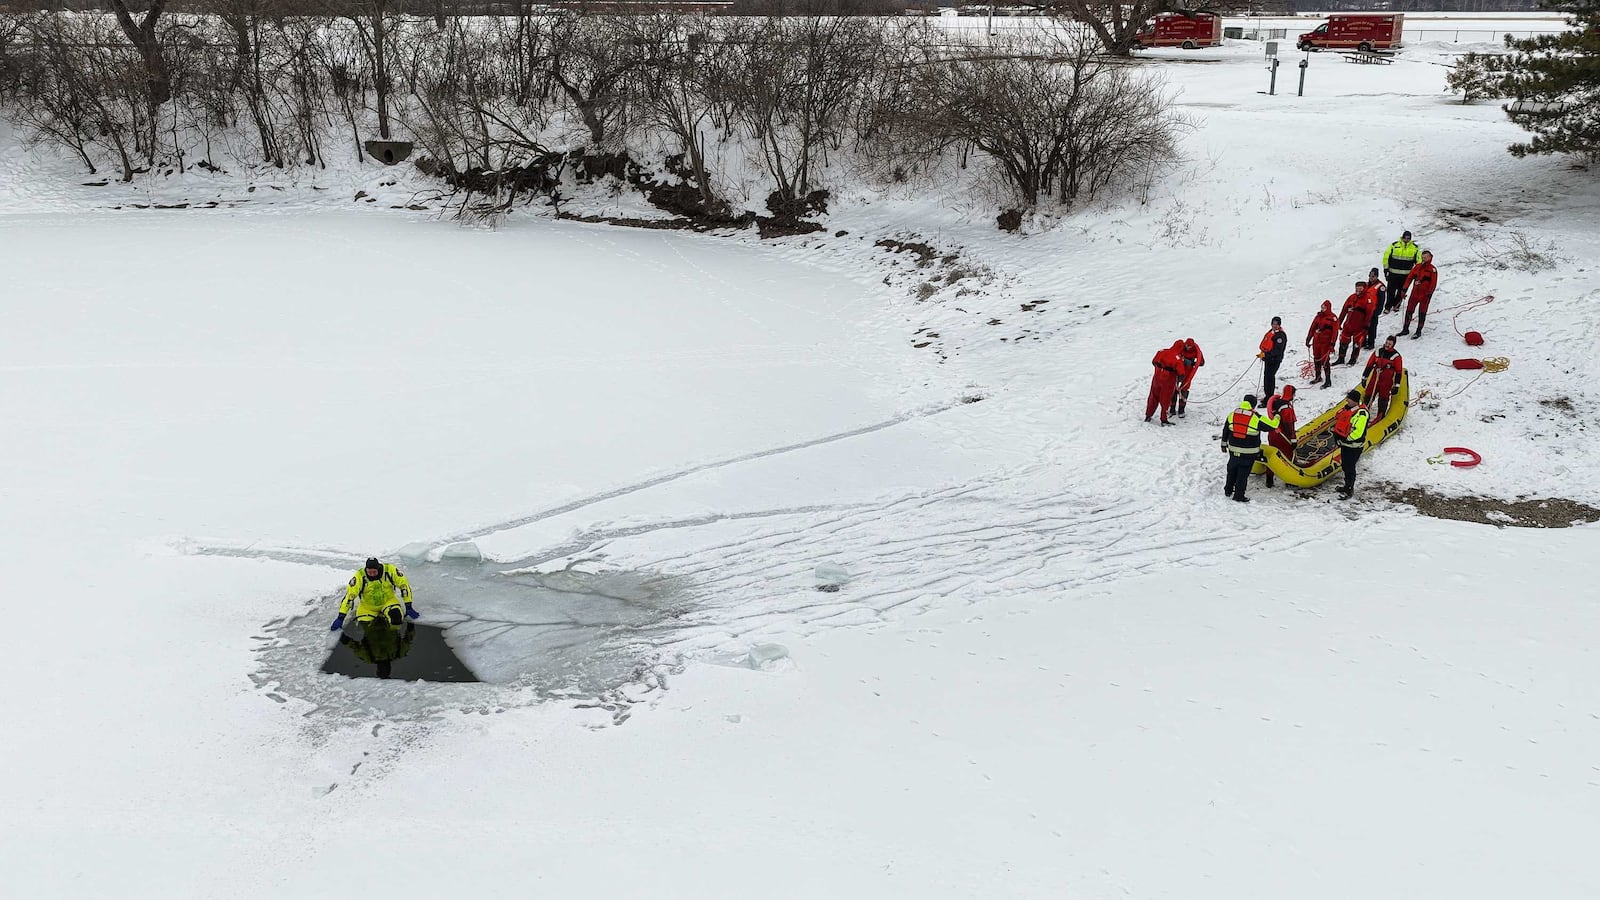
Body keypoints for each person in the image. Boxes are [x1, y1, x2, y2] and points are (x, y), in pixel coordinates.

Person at [330, 557, 419, 631]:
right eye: (369, 572)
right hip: (368, 607)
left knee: (397, 619)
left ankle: (392, 635)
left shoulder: (389, 570)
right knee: (365, 628)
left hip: (388, 602)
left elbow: (404, 586)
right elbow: (350, 597)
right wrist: (341, 617)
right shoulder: (359, 576)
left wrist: (408, 606)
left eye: (374, 572)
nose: (372, 574)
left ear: (379, 568)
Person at [1220, 393, 1279, 503]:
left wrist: (1223, 444)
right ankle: (1239, 495)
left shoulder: (1232, 414)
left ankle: (1228, 490)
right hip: (1248, 452)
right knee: (1243, 473)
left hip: (1233, 450)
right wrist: (1277, 417)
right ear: (1253, 405)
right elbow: (1272, 426)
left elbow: (1226, 430)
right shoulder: (1255, 417)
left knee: (1232, 469)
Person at [339, 620, 418, 680]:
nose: (383, 668)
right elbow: (408, 639)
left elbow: (354, 646)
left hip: (370, 621)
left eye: (381, 670)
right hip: (387, 620)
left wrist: (344, 639)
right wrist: (410, 625)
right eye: (385, 670)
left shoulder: (369, 657)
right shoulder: (398, 653)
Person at [1333, 390, 1370, 499]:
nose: (1346, 400)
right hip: (1345, 444)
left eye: (1348, 398)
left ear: (1354, 400)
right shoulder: (1348, 409)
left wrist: (1346, 440)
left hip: (1353, 446)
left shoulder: (1362, 414)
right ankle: (1346, 486)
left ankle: (1349, 489)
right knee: (1345, 465)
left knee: (1349, 467)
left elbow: (1357, 432)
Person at [1262, 384, 1298, 487]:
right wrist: (1293, 439)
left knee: (1273, 456)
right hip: (1282, 436)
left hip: (1273, 433)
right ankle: (1290, 480)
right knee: (1288, 456)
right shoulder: (1287, 408)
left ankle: (1269, 479)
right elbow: (1289, 425)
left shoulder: (1275, 403)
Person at [1361, 335, 1404, 421]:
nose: (1387, 345)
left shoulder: (1396, 356)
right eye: (1387, 343)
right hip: (1375, 378)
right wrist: (1364, 377)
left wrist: (1397, 385)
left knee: (1383, 398)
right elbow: (1369, 365)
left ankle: (1380, 415)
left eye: (1390, 344)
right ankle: (1363, 412)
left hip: (1386, 381)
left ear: (1393, 345)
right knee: (1369, 394)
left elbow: (1398, 372)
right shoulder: (1378, 352)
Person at [1400, 250, 1438, 338]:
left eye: (1425, 257)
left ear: (1430, 257)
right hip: (1415, 293)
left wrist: (1429, 294)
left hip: (1425, 295)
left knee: (1422, 312)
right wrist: (1404, 289)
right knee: (1409, 310)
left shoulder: (1432, 269)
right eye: (1422, 257)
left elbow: (1433, 283)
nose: (1423, 259)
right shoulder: (1417, 267)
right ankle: (1405, 329)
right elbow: (1409, 278)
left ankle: (1418, 331)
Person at [1146, 340, 1184, 425]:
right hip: (1168, 382)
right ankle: (1164, 420)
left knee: (1153, 397)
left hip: (1156, 379)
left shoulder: (1161, 351)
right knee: (1165, 400)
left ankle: (1148, 416)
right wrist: (1179, 383)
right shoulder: (1178, 358)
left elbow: (1153, 362)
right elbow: (1181, 374)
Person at [1382, 230, 1422, 312]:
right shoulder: (1394, 245)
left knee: (1402, 291)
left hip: (1406, 275)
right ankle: (1388, 306)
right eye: (1405, 238)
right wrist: (1386, 269)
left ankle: (1397, 305)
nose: (1406, 239)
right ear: (1402, 237)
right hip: (1393, 273)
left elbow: (1419, 261)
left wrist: (1417, 273)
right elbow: (1386, 257)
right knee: (1390, 291)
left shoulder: (1415, 248)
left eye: (1408, 238)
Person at [1335, 280, 1371, 366]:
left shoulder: (1368, 299)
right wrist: (1339, 322)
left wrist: (1366, 326)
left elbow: (1369, 314)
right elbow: (1344, 310)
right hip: (1348, 325)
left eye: (1360, 287)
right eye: (1357, 287)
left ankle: (1353, 359)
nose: (1358, 289)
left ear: (1364, 288)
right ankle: (1341, 358)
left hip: (1359, 326)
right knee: (1343, 341)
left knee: (1356, 344)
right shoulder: (1351, 297)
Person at [1305, 300, 1338, 388]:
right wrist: (1308, 338)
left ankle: (1328, 380)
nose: (1322, 309)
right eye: (1322, 307)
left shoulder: (1333, 318)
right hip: (1317, 342)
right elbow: (1312, 327)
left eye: (1324, 307)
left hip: (1325, 343)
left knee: (1325, 360)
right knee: (1317, 359)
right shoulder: (1318, 316)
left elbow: (1335, 332)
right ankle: (1318, 376)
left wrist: (1332, 344)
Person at [1173, 338, 1205, 416]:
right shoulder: (1181, 348)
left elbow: (1201, 362)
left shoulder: (1196, 351)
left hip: (1188, 373)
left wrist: (1191, 363)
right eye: (1186, 345)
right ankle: (1172, 408)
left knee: (1184, 389)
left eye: (1189, 346)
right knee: (1174, 388)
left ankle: (1181, 410)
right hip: (1178, 371)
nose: (1187, 347)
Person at [1256, 317, 1288, 398]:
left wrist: (1265, 355)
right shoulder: (1271, 332)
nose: (1274, 326)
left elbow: (1277, 350)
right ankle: (1267, 395)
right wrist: (1263, 353)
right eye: (1273, 324)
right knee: (1266, 376)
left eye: (1276, 324)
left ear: (1279, 325)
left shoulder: (1281, 336)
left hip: (1275, 360)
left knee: (1270, 377)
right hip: (1268, 359)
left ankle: (1269, 397)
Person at [1363, 269, 1387, 350]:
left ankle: (1371, 343)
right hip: (1365, 309)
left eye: (1373, 276)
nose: (1371, 278)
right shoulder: (1366, 285)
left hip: (1373, 310)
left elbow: (1381, 300)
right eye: (1370, 276)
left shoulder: (1381, 287)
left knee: (1372, 327)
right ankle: (1363, 341)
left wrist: (1377, 311)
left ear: (1376, 276)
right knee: (1364, 326)